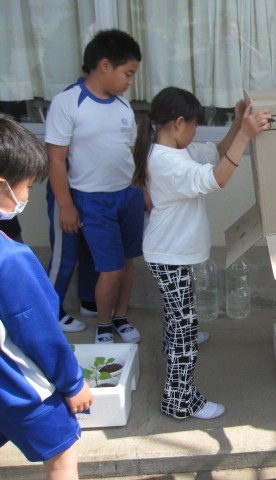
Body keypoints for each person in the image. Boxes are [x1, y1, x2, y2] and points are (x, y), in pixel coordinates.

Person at [132, 87, 270, 419]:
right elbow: (217, 178)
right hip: (169, 255)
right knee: (185, 331)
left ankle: (172, 346)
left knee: (179, 317)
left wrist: (236, 126)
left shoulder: (177, 149)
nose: (196, 132)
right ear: (179, 123)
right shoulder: (166, 161)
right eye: (194, 125)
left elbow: (216, 153)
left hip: (171, 253)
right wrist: (245, 136)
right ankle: (179, 400)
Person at [0, 113, 93, 479]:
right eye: (26, 187)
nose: (25, 196)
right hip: (19, 387)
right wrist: (72, 382)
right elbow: (38, 331)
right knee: (63, 454)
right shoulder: (10, 258)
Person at [46, 29, 145, 344]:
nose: (131, 81)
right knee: (107, 267)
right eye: (128, 73)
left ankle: (119, 317)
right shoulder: (68, 102)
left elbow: (131, 154)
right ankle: (100, 325)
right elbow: (56, 159)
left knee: (126, 262)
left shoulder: (123, 106)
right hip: (91, 200)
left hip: (127, 196)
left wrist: (142, 191)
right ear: (104, 66)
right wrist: (66, 206)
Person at [46, 178, 100, 333]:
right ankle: (49, 312)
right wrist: (65, 205)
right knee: (64, 254)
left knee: (92, 246)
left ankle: (90, 300)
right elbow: (56, 165)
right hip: (65, 187)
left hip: (93, 183)